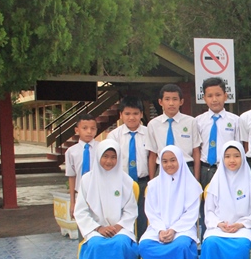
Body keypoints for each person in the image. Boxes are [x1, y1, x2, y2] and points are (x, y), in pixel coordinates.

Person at [74, 139, 139, 259]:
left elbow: (131, 210)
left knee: (121, 245)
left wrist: (117, 227)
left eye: (113, 157)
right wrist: (98, 228)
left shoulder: (126, 181)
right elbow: (80, 211)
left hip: (121, 229)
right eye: (105, 156)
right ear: (98, 157)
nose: (109, 161)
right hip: (95, 230)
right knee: (95, 246)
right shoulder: (87, 180)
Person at [139, 146, 202, 259]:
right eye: (165, 161)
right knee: (145, 246)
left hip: (183, 229)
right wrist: (161, 229)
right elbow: (151, 212)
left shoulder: (192, 185)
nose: (169, 165)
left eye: (173, 160)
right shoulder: (153, 185)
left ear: (180, 160)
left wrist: (174, 230)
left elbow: (191, 214)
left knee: (181, 247)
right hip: (158, 229)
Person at [108, 96, 152, 239]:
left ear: (141, 114)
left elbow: (153, 158)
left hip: (143, 181)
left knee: (143, 216)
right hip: (122, 183)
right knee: (123, 217)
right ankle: (127, 244)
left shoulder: (149, 133)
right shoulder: (114, 136)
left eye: (135, 113)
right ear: (121, 115)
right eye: (127, 114)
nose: (131, 117)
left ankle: (141, 245)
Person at [147, 84, 201, 179]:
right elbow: (152, 154)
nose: (171, 103)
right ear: (160, 102)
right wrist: (151, 182)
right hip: (163, 168)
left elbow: (196, 151)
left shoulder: (191, 122)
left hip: (186, 167)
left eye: (175, 99)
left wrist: (196, 179)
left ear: (181, 102)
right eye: (167, 99)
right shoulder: (153, 124)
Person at [195, 77, 240, 188]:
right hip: (205, 168)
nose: (214, 99)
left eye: (218, 95)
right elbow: (196, 149)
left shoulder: (235, 121)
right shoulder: (198, 121)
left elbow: (239, 148)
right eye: (210, 96)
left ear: (225, 96)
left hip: (227, 168)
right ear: (204, 98)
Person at [66, 113, 98, 218]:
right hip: (80, 194)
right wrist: (72, 202)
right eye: (85, 128)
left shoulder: (101, 148)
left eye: (93, 128)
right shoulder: (71, 152)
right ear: (77, 130)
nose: (89, 131)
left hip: (98, 192)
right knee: (82, 222)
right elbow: (71, 176)